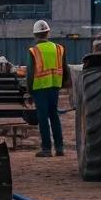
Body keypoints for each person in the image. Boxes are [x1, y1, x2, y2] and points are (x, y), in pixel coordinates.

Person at [27, 19, 69, 158]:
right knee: (54, 116)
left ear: (35, 35)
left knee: (43, 118)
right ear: (48, 32)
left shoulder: (34, 51)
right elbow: (65, 68)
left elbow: (30, 73)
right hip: (54, 87)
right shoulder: (58, 48)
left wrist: (29, 91)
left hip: (39, 88)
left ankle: (46, 148)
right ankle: (59, 148)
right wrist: (64, 84)